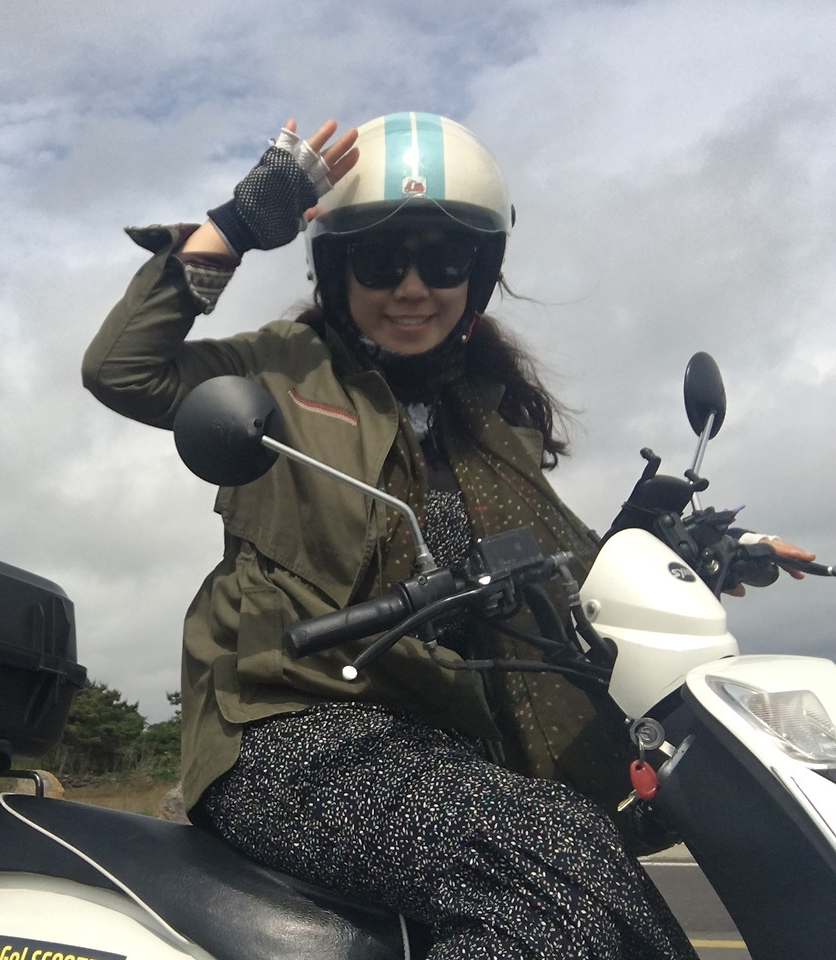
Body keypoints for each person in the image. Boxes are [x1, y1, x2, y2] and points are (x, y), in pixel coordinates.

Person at [82, 113, 811, 958]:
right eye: (381, 260)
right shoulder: (281, 369)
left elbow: (545, 577)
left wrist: (666, 549)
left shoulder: (486, 421)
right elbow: (121, 369)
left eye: (444, 261)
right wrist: (237, 224)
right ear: (337, 269)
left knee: (594, 865)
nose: (412, 287)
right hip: (286, 730)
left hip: (443, 741)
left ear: (480, 272)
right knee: (548, 865)